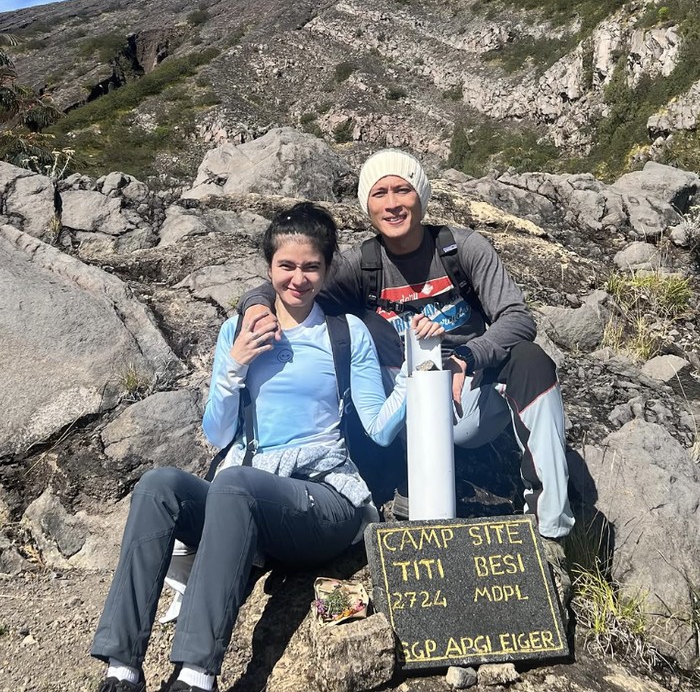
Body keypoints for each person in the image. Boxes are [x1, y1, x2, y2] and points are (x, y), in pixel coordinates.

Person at [90, 202, 408, 692]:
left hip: (323, 499)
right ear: (268, 268)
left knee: (235, 484)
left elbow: (380, 429)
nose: (297, 279)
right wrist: (232, 369)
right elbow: (218, 435)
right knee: (158, 486)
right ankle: (121, 668)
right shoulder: (235, 331)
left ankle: (195, 674)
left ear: (326, 271)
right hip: (247, 499)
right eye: (286, 266)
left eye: (310, 267)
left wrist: (411, 378)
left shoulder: (346, 334)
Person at [240, 150, 575, 600]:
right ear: (367, 205)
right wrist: (257, 304)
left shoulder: (462, 248)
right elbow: (297, 276)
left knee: (533, 361)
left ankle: (551, 531)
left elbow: (517, 316)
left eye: (403, 189)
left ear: (422, 196)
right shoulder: (363, 265)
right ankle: (391, 495)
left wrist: (470, 357)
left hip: (466, 397)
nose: (392, 203)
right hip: (403, 408)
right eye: (379, 193)